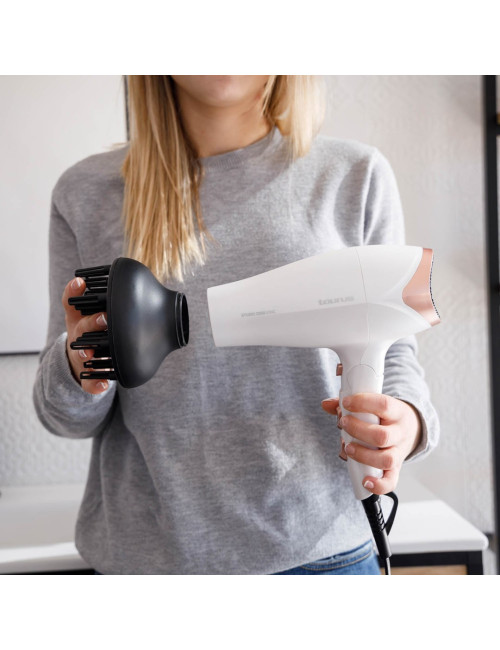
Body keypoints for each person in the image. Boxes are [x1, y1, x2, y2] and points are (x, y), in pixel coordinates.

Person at [33, 75, 439, 575]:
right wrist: (80, 368)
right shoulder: (86, 192)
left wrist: (405, 423)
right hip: (151, 562)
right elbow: (65, 418)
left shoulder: (353, 174)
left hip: (322, 556)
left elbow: (394, 351)